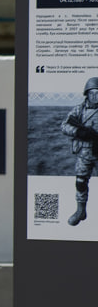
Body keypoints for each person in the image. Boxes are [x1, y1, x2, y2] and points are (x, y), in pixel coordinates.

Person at [61, 76, 98, 226]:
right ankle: (80, 211)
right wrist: (78, 132)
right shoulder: (79, 109)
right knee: (81, 182)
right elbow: (64, 126)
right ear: (86, 94)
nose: (95, 96)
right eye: (92, 93)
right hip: (84, 153)